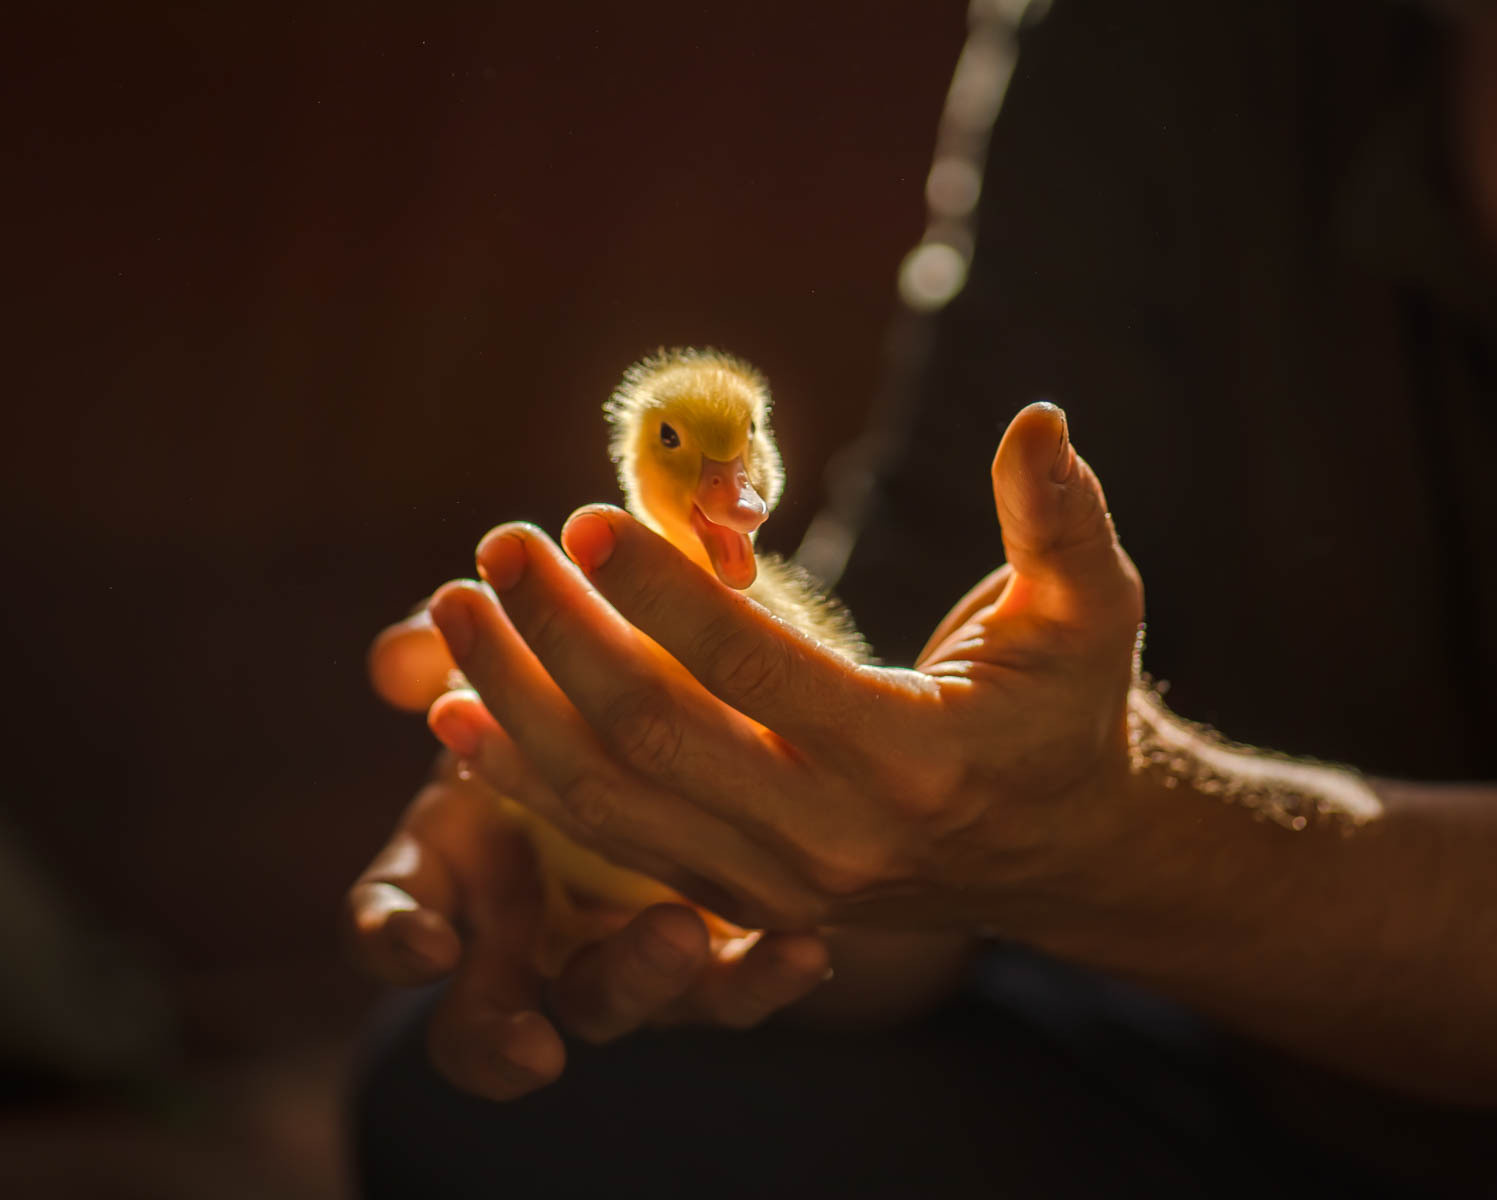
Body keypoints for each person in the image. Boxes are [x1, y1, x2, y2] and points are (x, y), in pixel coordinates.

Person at [346, 0, 1497, 1193]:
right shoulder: (1150, 42)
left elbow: (1007, 828)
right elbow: (913, 715)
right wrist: (765, 845)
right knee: (497, 1103)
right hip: (1233, 1055)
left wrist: (1119, 849)